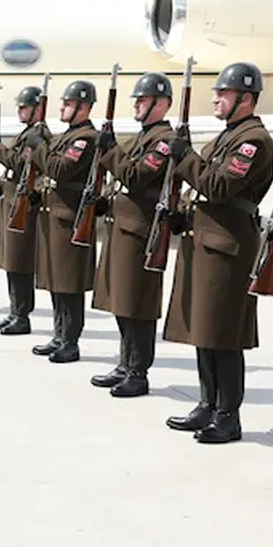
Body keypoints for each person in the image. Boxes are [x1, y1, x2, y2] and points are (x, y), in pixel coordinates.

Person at [162, 62, 273, 443]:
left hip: (228, 247)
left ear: (246, 99)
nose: (216, 99)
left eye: (223, 94)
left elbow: (218, 186)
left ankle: (228, 414)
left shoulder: (253, 141)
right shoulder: (223, 139)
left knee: (224, 335)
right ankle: (208, 404)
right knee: (205, 329)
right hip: (206, 243)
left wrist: (186, 156)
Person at [89, 73, 175, 397]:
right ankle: (125, 364)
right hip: (122, 227)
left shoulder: (163, 141)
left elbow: (136, 176)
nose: (137, 105)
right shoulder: (142, 138)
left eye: (143, 100)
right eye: (136, 100)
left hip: (141, 232)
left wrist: (110, 151)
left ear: (161, 104)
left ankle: (138, 371)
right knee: (121, 301)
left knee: (137, 304)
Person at [28, 81, 100, 362]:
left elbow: (59, 169)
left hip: (70, 219)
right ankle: (59, 335)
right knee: (56, 279)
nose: (61, 108)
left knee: (69, 283)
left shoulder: (86, 139)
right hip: (54, 216)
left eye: (67, 104)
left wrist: (40, 147)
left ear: (83, 107)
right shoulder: (67, 136)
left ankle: (70, 341)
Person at [0, 87, 44, 334]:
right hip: (11, 202)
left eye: (24, 107)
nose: (20, 111)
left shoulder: (38, 135)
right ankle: (14, 311)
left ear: (37, 109)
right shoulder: (28, 133)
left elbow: (21, 164)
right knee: (11, 261)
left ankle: (22, 316)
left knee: (20, 263)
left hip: (23, 207)